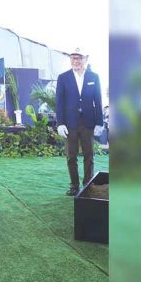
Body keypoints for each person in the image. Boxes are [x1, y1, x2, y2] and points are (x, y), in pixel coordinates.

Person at [55, 48, 104, 196]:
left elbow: (98, 101)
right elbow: (59, 102)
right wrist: (60, 123)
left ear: (86, 59)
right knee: (71, 156)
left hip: (88, 123)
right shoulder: (63, 77)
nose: (75, 61)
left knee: (89, 156)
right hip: (70, 123)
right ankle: (74, 186)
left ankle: (88, 185)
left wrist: (99, 122)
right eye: (73, 58)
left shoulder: (94, 77)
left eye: (79, 58)